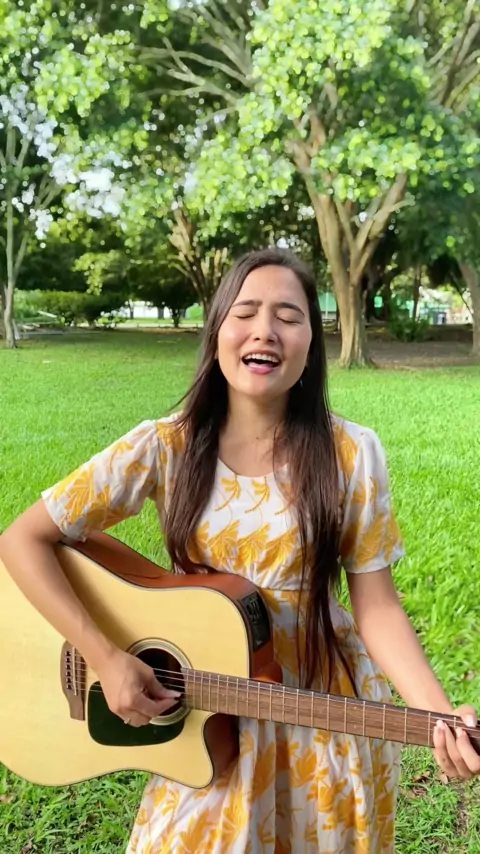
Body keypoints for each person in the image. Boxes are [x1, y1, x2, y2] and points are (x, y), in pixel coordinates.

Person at [1, 247, 478, 854]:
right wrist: (105, 655)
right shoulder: (163, 446)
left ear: (312, 341)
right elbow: (22, 540)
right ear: (217, 330)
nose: (265, 331)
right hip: (205, 709)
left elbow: (377, 606)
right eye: (245, 312)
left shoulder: (353, 453)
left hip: (324, 711)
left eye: (289, 316)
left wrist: (439, 714)